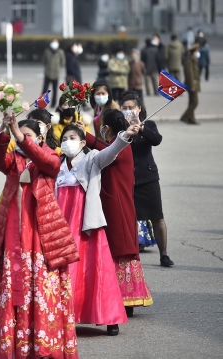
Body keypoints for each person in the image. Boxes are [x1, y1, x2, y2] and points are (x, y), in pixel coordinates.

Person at [0, 116, 79, 358]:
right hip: (13, 236)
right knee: (13, 290)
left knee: (42, 292)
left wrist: (21, 137)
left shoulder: (51, 156)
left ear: (39, 138)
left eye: (27, 135)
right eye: (19, 136)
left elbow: (46, 161)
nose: (20, 139)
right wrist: (5, 134)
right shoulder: (13, 160)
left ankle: (44, 348)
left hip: (41, 238)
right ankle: (18, 349)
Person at [57, 123, 138, 335]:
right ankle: (64, 316)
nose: (68, 142)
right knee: (66, 271)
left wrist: (124, 137)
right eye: (65, 138)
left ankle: (110, 318)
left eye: (73, 138)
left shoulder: (92, 158)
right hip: (62, 224)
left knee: (97, 270)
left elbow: (110, 153)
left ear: (83, 142)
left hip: (86, 223)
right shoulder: (57, 164)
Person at [82, 109, 153, 317]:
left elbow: (108, 150)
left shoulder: (122, 145)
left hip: (118, 204)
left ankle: (125, 300)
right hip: (116, 201)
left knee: (120, 250)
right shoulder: (119, 144)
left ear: (108, 127)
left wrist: (86, 136)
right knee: (116, 248)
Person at [121, 92, 174, 267]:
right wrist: (127, 132)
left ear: (139, 109)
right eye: (125, 108)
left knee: (157, 217)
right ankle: (131, 253)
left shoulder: (148, 123)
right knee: (130, 218)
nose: (128, 111)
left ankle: (164, 254)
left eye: (131, 108)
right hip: (128, 178)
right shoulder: (119, 126)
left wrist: (141, 127)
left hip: (148, 177)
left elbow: (157, 140)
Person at [180, 44, 201, 125]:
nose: (198, 53)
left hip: (194, 84)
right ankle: (185, 117)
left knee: (191, 102)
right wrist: (192, 85)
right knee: (195, 102)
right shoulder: (189, 61)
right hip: (192, 85)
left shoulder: (193, 59)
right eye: (197, 51)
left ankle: (191, 118)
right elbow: (189, 74)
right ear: (193, 52)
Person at [42, 39, 65, 107]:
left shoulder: (60, 52)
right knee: (45, 90)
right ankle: (42, 102)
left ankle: (53, 104)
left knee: (55, 90)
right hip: (48, 73)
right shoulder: (47, 51)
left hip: (56, 74)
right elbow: (44, 61)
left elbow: (63, 62)